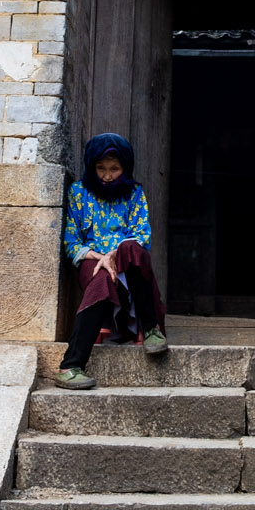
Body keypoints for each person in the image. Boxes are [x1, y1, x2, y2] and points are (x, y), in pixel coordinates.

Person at [57, 133, 167, 389]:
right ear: (91, 166)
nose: (107, 176)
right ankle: (70, 366)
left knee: (133, 249)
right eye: (101, 168)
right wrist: (98, 257)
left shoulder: (134, 192)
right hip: (93, 261)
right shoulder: (78, 193)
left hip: (126, 260)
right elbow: (71, 240)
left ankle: (151, 329)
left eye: (114, 169)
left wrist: (114, 254)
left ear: (125, 168)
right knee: (103, 280)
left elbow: (142, 235)